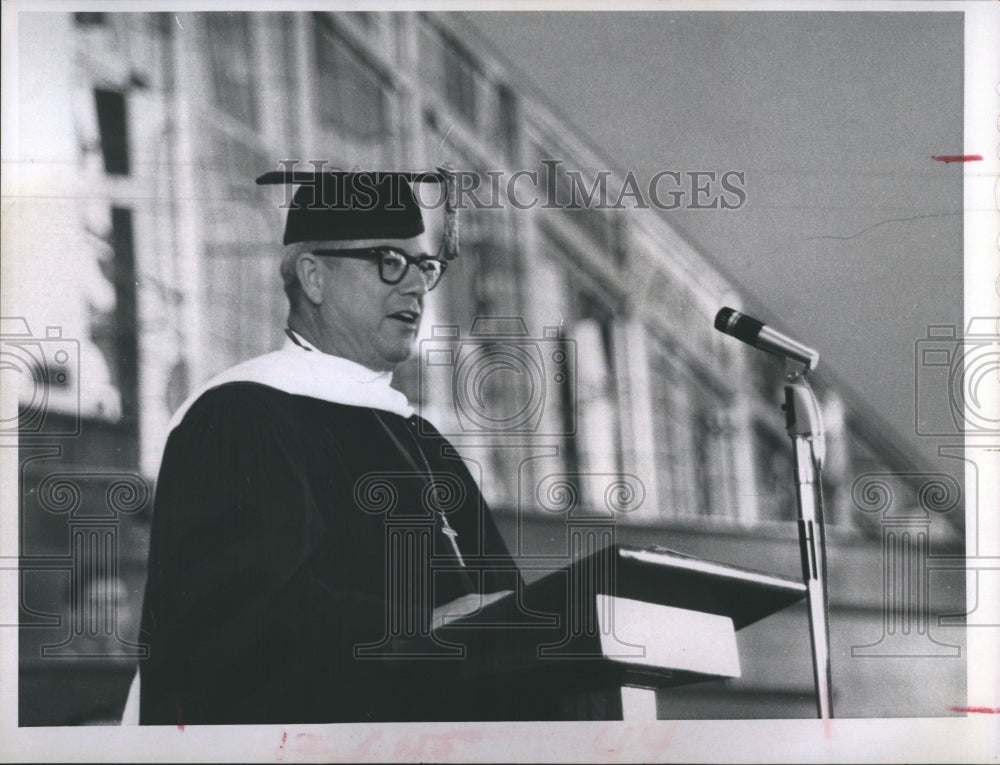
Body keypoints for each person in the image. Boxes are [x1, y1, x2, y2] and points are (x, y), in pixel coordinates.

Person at [136, 168, 522, 725]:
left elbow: (510, 611)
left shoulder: (422, 440)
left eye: (423, 266)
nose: (415, 286)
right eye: (390, 261)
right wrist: (423, 627)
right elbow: (238, 618)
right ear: (314, 278)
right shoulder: (240, 415)